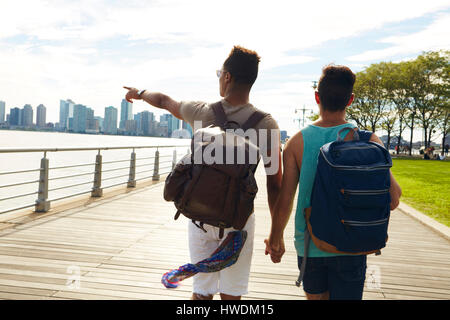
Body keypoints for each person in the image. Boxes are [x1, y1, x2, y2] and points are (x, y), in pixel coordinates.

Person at [123, 46, 282, 300]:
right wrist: (276, 233)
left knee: (202, 292)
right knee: (232, 295)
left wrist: (139, 93)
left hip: (199, 214)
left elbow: (163, 101)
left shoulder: (203, 112)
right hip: (238, 222)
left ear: (227, 77)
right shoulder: (267, 124)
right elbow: (275, 183)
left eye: (220, 73)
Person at [265, 64, 402, 300]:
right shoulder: (369, 140)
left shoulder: (297, 142)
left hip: (310, 244)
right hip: (353, 242)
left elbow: (285, 198)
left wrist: (275, 238)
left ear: (317, 97)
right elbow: (394, 197)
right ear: (350, 100)